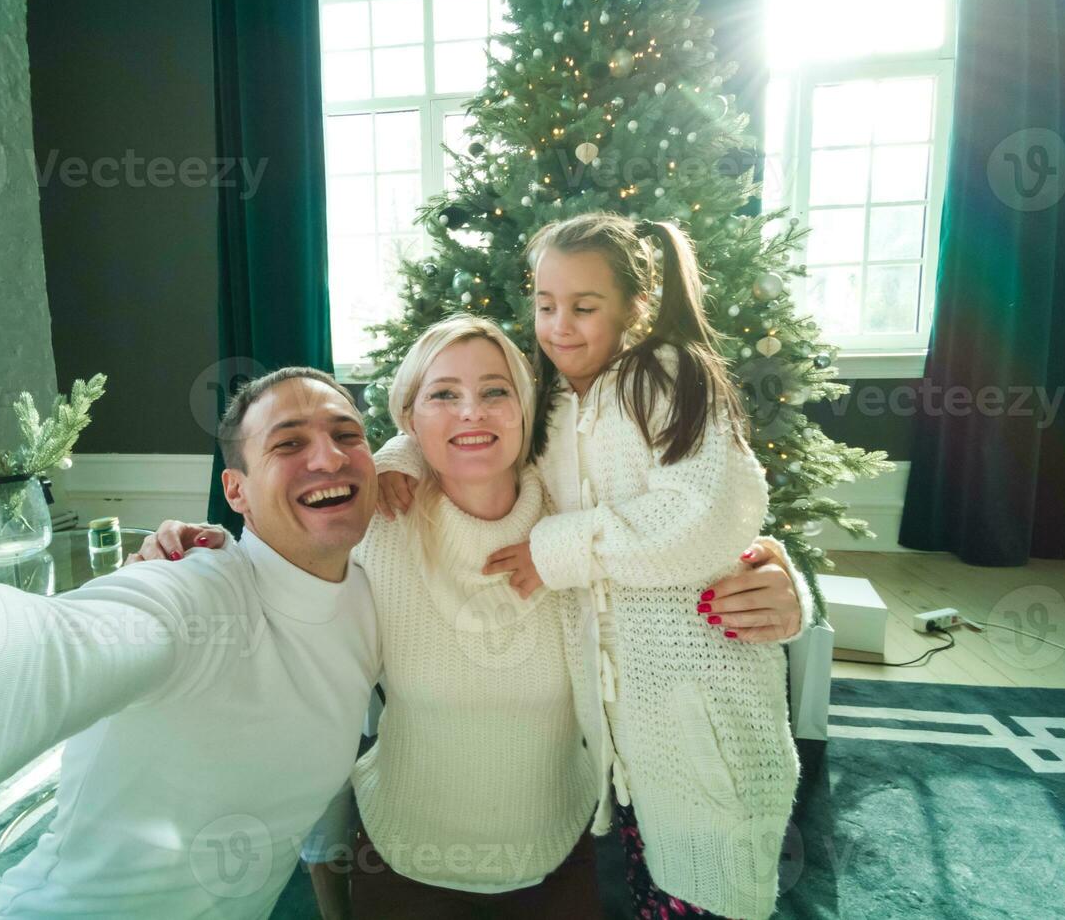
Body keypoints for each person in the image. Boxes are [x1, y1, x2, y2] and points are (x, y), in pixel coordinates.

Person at [141, 314, 809, 919]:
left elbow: (697, 527)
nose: (473, 412)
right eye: (442, 395)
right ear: (408, 417)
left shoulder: (580, 521)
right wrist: (196, 551)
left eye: (496, 391)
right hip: (406, 854)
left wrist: (783, 585)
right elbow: (280, 558)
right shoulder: (374, 522)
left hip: (555, 847)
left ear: (525, 409)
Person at [376, 214, 810, 919]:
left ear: (635, 307)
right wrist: (394, 459)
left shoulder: (662, 375)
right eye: (545, 306)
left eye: (584, 307)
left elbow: (705, 514)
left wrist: (554, 553)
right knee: (655, 879)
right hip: (631, 735)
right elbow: (454, 421)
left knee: (714, 882)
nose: (559, 327)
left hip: (705, 710)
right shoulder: (552, 408)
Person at [0, 368, 382, 918]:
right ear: (236, 490)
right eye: (288, 442)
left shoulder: (369, 592)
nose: (329, 458)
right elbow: (49, 651)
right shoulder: (198, 589)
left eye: (347, 435)